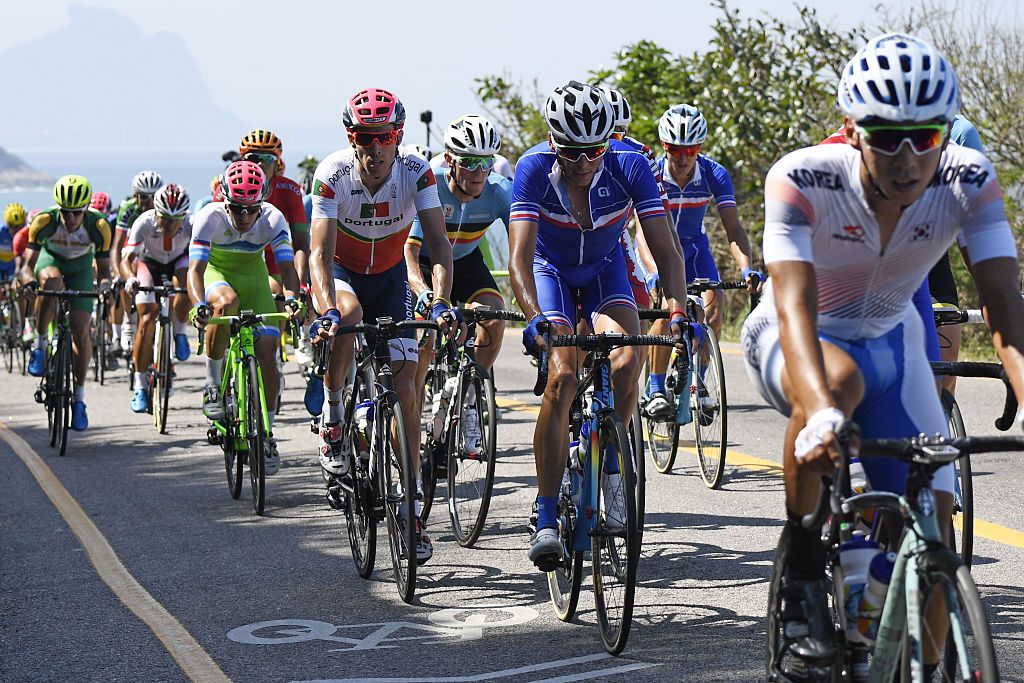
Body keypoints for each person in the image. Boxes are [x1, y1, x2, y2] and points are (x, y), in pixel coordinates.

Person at [741, 34, 1024, 677]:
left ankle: (907, 653)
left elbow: (1005, 301)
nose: (904, 157)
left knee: (935, 531)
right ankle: (805, 576)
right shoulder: (804, 176)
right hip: (798, 335)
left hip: (894, 346)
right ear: (851, 129)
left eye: (923, 137)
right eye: (884, 136)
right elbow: (794, 307)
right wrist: (818, 412)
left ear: (946, 132)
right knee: (837, 384)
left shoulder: (968, 179)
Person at [508, 81, 689, 569]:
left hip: (606, 269)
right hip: (551, 273)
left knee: (628, 358)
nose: (585, 162)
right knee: (563, 377)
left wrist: (675, 308)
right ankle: (546, 514)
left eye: (595, 150)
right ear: (553, 143)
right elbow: (520, 261)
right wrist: (536, 320)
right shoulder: (530, 170)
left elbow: (667, 249)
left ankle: (611, 463)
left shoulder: (631, 166)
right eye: (572, 151)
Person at [308, 87, 454, 563]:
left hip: (391, 280)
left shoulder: (416, 171)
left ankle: (411, 508)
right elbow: (318, 254)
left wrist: (441, 303)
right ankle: (333, 414)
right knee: (348, 318)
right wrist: (327, 309)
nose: (375, 149)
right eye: (365, 138)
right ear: (352, 138)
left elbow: (438, 245)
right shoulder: (332, 174)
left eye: (384, 137)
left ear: (398, 136)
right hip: (345, 276)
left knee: (407, 390)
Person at [644, 103, 762, 418]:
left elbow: (733, 228)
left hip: (695, 250)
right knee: (665, 310)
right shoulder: (651, 173)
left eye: (691, 150)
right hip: (659, 249)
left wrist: (746, 267)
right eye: (674, 149)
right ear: (663, 146)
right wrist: (654, 271)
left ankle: (701, 382)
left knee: (712, 310)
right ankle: (655, 386)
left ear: (700, 147)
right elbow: (640, 232)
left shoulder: (714, 173)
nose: (683, 158)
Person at [405, 115, 512, 454]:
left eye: (486, 162)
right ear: (450, 160)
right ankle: (413, 419)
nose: (479, 172)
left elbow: (527, 249)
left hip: (465, 261)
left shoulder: (498, 192)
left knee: (493, 316)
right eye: (469, 163)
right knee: (424, 343)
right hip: (422, 261)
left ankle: (468, 398)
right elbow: (410, 250)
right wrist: (426, 294)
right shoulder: (430, 186)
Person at [188, 161, 300, 474]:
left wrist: (292, 300)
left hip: (254, 277)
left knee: (268, 349)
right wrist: (199, 304)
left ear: (261, 204)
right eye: (237, 209)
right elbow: (195, 270)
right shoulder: (209, 216)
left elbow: (287, 268)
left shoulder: (273, 218)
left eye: (251, 210)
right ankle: (213, 384)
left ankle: (266, 433)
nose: (244, 217)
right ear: (225, 201)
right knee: (226, 304)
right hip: (218, 273)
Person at [24, 176, 113, 431]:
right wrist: (28, 283)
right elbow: (26, 268)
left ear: (85, 209)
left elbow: (105, 271)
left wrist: (105, 288)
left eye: (76, 213)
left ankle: (79, 399)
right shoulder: (44, 222)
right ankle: (40, 345)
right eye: (65, 212)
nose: (71, 219)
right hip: (50, 261)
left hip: (81, 269)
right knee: (50, 285)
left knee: (81, 330)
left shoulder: (98, 226)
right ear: (58, 209)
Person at [121, 184, 193, 413]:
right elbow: (127, 258)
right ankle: (141, 386)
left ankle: (180, 332)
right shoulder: (143, 221)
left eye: (176, 220)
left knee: (186, 279)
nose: (171, 226)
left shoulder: (191, 224)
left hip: (178, 262)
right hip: (148, 264)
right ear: (156, 213)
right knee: (147, 318)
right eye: (165, 220)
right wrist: (130, 278)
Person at [112, 170, 163, 357]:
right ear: (135, 196)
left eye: (153, 197)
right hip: (132, 250)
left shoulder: (163, 210)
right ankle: (128, 322)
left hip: (153, 253)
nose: (149, 202)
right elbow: (116, 247)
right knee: (128, 273)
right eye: (143, 197)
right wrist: (119, 272)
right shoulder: (128, 209)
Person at [1, 203, 27, 283]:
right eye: (12, 226)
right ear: (7, 224)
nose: (16, 230)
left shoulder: (27, 233)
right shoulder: (1, 232)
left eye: (20, 226)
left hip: (13, 265)